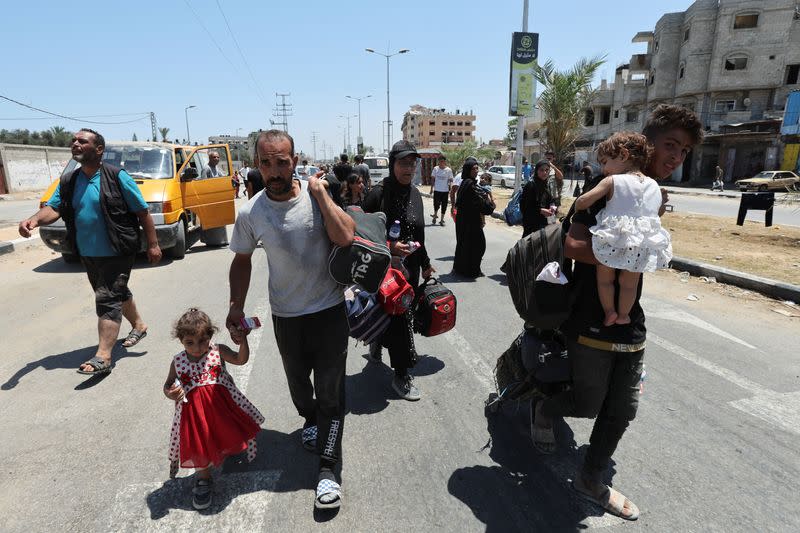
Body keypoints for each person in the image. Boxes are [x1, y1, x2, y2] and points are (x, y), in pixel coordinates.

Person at [531, 104, 703, 521]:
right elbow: (572, 246)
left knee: (623, 407)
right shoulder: (607, 183)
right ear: (648, 142)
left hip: (629, 314)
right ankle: (544, 407)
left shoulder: (653, 194)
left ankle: (590, 478)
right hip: (588, 312)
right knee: (589, 405)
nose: (677, 157)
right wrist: (624, 254)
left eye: (684, 152)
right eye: (670, 146)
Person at [227, 129, 354, 510]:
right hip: (287, 317)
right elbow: (242, 259)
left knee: (331, 395)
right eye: (266, 163)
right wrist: (236, 305)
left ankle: (329, 469)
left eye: (282, 162)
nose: (275, 170)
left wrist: (321, 195)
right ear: (257, 166)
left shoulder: (318, 197)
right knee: (300, 388)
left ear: (294, 161)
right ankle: (310, 419)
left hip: (329, 313)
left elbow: (346, 236)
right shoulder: (252, 212)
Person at [18, 128, 161, 375]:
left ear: (98, 150)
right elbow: (55, 208)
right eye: (73, 140)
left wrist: (153, 244)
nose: (75, 144)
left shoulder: (117, 177)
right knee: (115, 292)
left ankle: (103, 356)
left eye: (82, 141)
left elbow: (142, 212)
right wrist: (34, 220)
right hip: (87, 252)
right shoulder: (70, 180)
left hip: (117, 250)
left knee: (106, 298)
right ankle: (139, 324)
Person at [163, 308, 264, 510]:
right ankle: (203, 479)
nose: (197, 348)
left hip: (221, 408)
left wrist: (243, 341)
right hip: (194, 415)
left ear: (210, 335)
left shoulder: (218, 351)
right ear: (181, 340)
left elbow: (240, 359)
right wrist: (171, 391)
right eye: (189, 343)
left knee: (224, 434)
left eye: (202, 340)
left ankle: (226, 452)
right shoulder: (178, 361)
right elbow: (167, 385)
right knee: (199, 445)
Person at [362, 140, 435, 401]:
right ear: (393, 163)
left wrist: (425, 264)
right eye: (404, 162)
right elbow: (360, 233)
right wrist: (391, 246)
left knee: (400, 317)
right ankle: (402, 374)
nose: (409, 168)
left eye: (413, 163)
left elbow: (419, 235)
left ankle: (378, 344)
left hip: (410, 271)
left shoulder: (415, 194)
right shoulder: (377, 195)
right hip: (383, 272)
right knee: (397, 319)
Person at [574, 132, 672, 326]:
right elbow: (657, 214)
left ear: (623, 155)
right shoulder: (653, 184)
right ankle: (624, 315)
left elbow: (584, 201)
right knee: (629, 284)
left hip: (613, 237)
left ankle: (609, 311)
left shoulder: (612, 181)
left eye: (604, 162)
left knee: (605, 279)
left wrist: (579, 202)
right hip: (640, 243)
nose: (603, 169)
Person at [452, 159, 495, 278]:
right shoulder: (470, 184)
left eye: (477, 168)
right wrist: (490, 205)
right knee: (478, 245)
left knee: (465, 244)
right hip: (470, 221)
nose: (476, 171)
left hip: (465, 220)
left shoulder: (466, 183)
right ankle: (471, 270)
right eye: (473, 169)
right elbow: (482, 204)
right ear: (468, 170)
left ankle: (463, 269)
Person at [519, 159, 558, 237]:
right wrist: (540, 210)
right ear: (537, 171)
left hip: (544, 223)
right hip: (531, 225)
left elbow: (550, 201)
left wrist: (552, 207)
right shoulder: (531, 185)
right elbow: (525, 207)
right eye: (542, 170)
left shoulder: (546, 185)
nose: (545, 173)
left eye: (547, 170)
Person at [429, 155, 453, 226]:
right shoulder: (435, 169)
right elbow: (432, 179)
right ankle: (435, 215)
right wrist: (431, 189)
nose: (441, 163)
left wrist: (450, 188)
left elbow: (450, 179)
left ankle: (442, 219)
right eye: (440, 161)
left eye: (443, 161)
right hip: (437, 190)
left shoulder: (448, 170)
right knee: (436, 204)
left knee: (444, 205)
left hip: (445, 191)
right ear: (438, 162)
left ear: (445, 162)